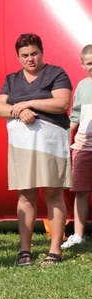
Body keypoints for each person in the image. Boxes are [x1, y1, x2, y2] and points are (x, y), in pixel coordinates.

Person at [0, 33, 72, 266]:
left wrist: (28, 103)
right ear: (18, 57)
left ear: (42, 52)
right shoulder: (12, 79)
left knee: (53, 193)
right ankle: (25, 250)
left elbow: (61, 103)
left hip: (51, 143)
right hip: (21, 144)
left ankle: (55, 250)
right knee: (25, 194)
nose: (30, 59)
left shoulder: (56, 73)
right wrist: (18, 111)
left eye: (34, 53)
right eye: (25, 55)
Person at [62, 44, 92, 250]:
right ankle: (78, 234)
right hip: (82, 146)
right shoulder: (81, 86)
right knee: (80, 191)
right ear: (82, 64)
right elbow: (75, 115)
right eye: (89, 63)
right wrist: (64, 136)